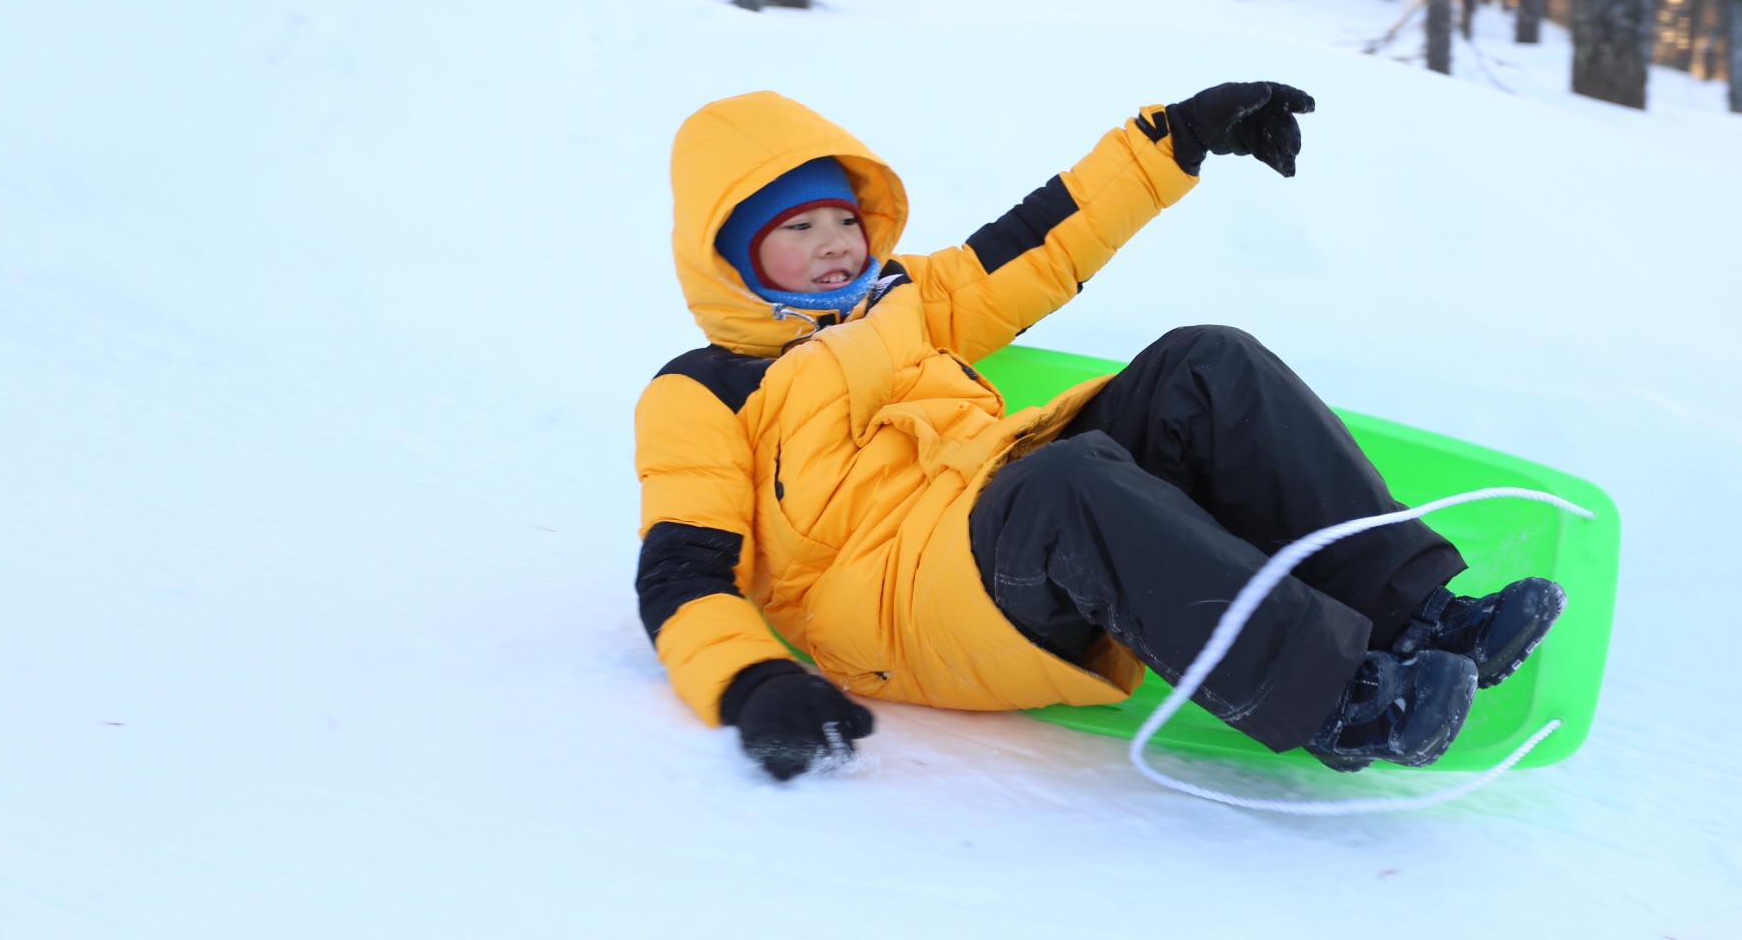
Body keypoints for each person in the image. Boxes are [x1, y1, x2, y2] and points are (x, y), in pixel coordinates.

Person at [635, 86, 1565, 781]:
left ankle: (1422, 616)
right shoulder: (703, 391)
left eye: (845, 216)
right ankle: (1347, 702)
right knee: (1063, 483)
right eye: (799, 227)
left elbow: (1039, 241)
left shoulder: (904, 301)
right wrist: (751, 684)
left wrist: (1182, 137)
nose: (837, 241)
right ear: (730, 253)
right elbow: (683, 577)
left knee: (1205, 363)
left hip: (993, 503)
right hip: (894, 609)